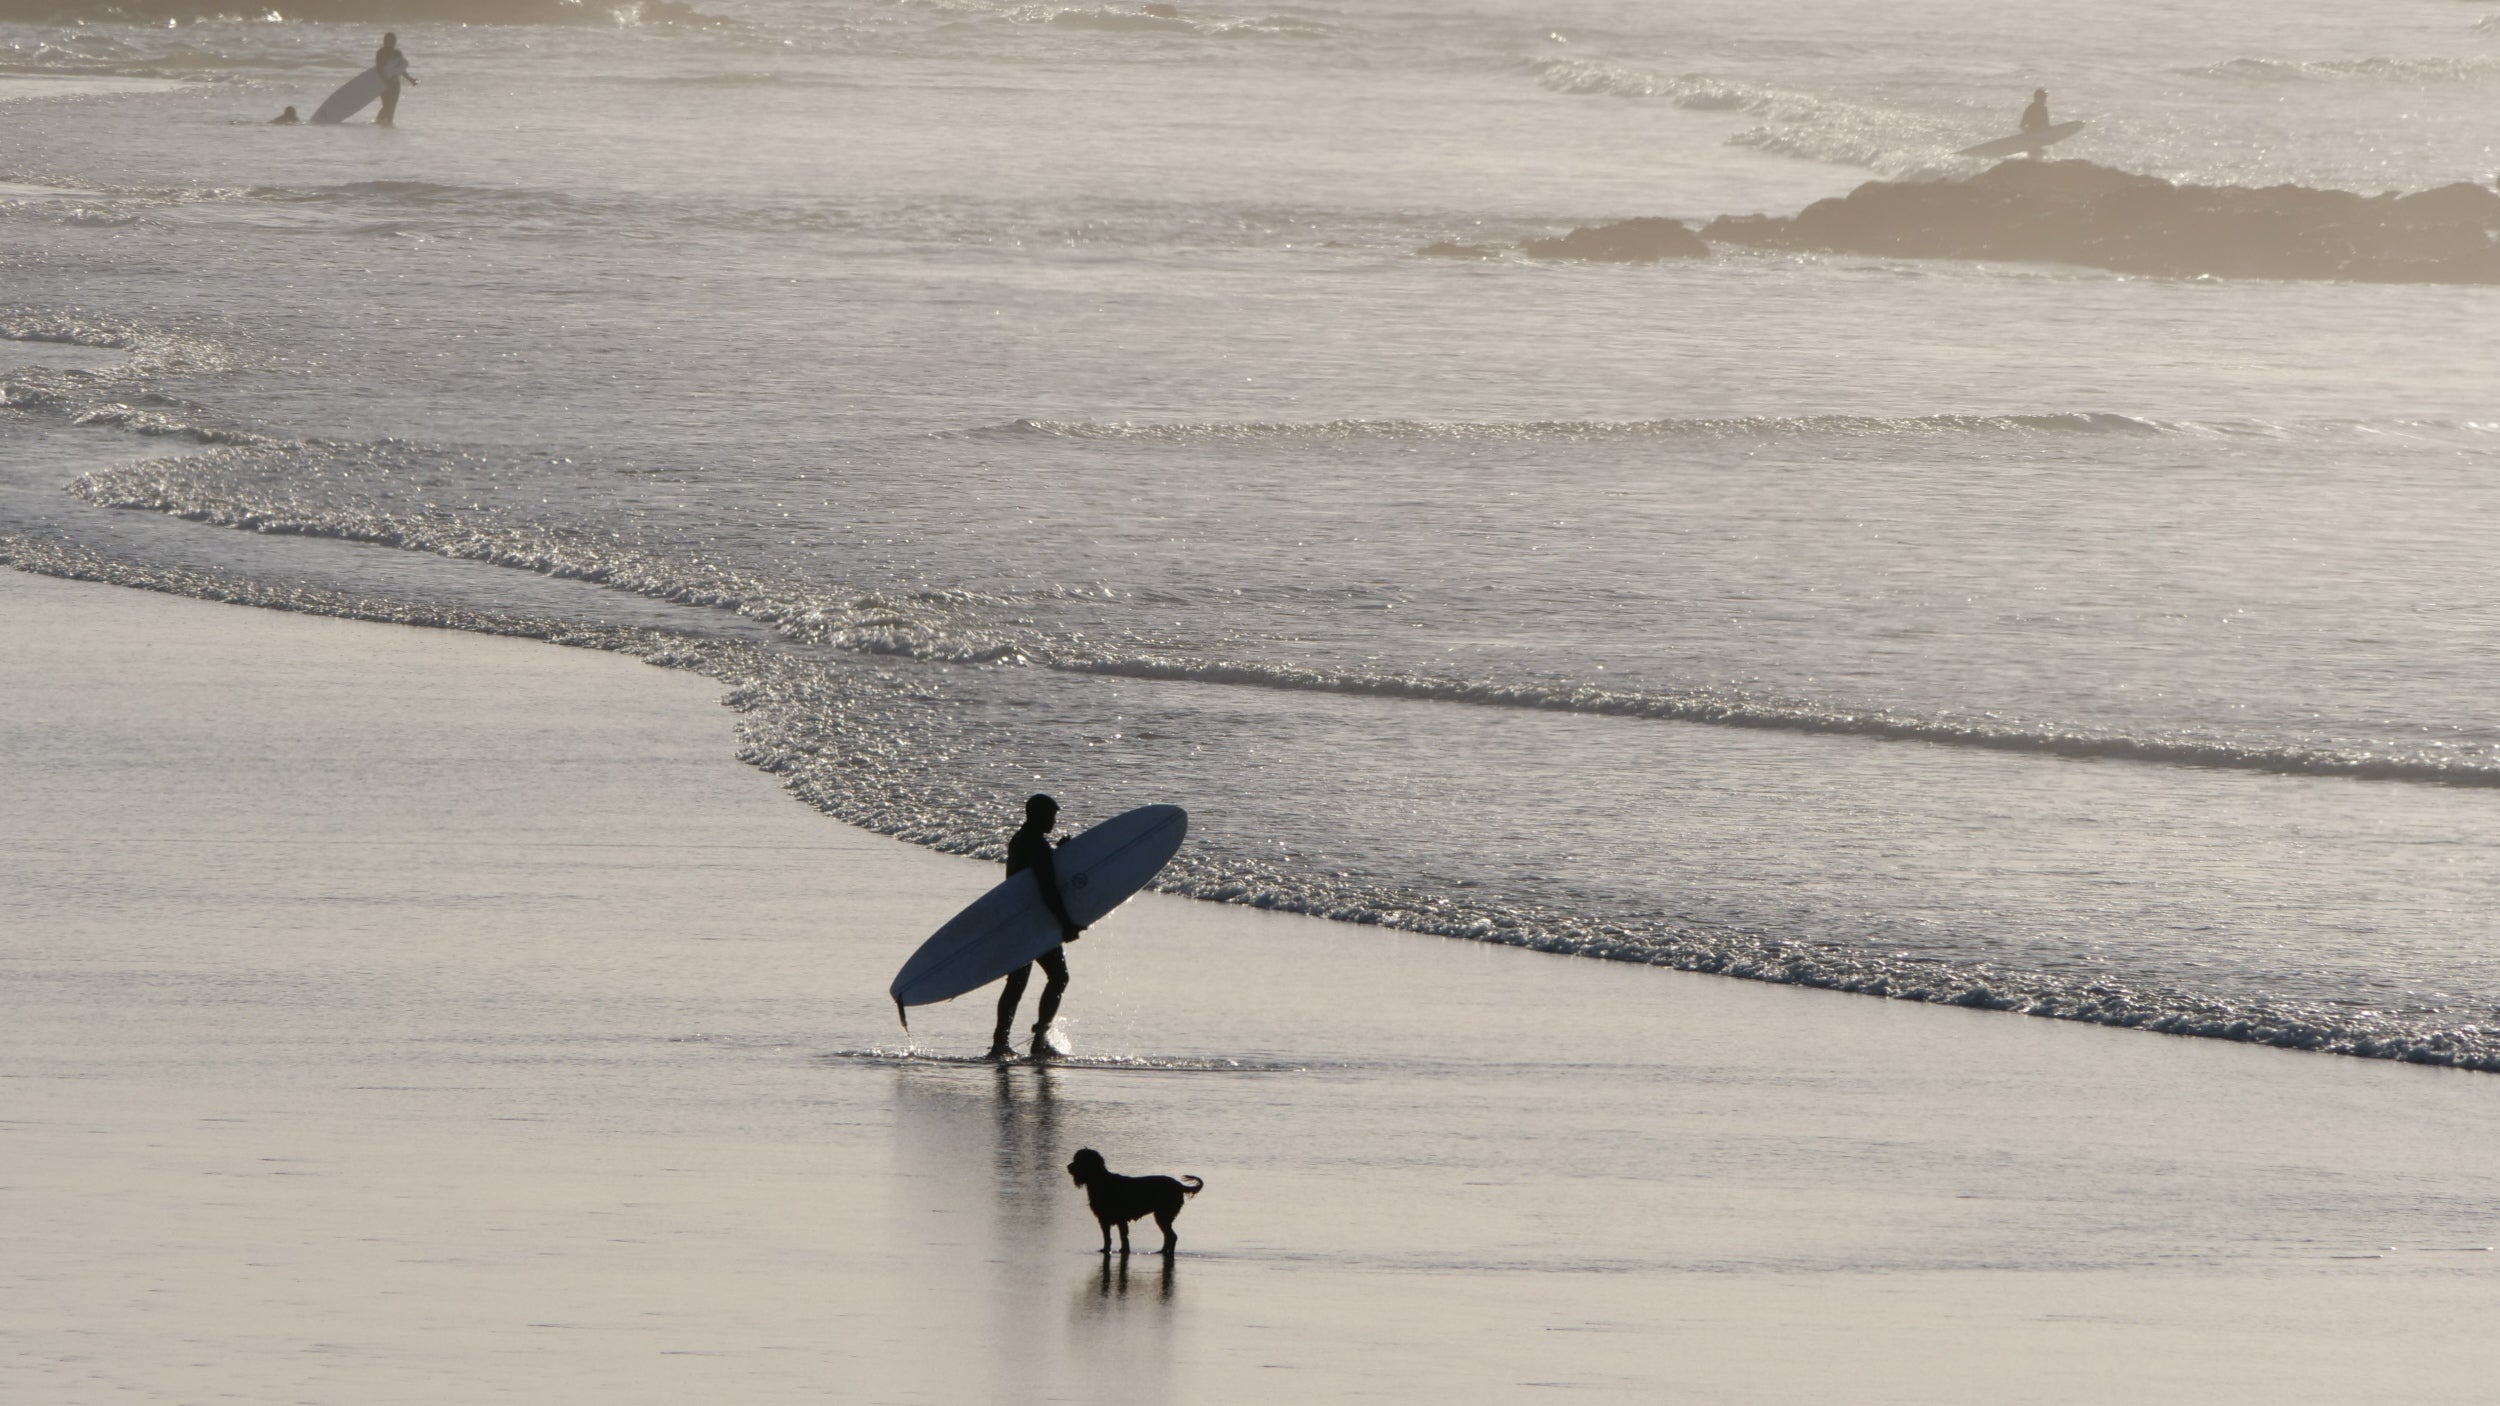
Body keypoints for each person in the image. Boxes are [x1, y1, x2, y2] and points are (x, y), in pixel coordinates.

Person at [990, 794, 1085, 1060]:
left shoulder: (1022, 840)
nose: (1054, 821)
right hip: (1033, 923)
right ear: (1038, 816)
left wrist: (1059, 854)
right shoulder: (1037, 846)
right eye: (1051, 816)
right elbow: (1047, 889)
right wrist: (1066, 924)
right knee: (1058, 977)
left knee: (1017, 983)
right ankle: (1038, 1039)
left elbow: (1034, 875)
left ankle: (1001, 1042)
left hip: (1017, 919)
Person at [374, 33, 417, 127]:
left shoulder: (397, 53)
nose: (389, 43)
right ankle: (378, 122)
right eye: (387, 41)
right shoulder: (380, 53)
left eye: (391, 41)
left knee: (392, 107)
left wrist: (410, 79)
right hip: (383, 84)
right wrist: (385, 81)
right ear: (384, 42)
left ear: (394, 42)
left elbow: (400, 69)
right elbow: (379, 69)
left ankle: (387, 125)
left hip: (395, 84)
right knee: (386, 106)